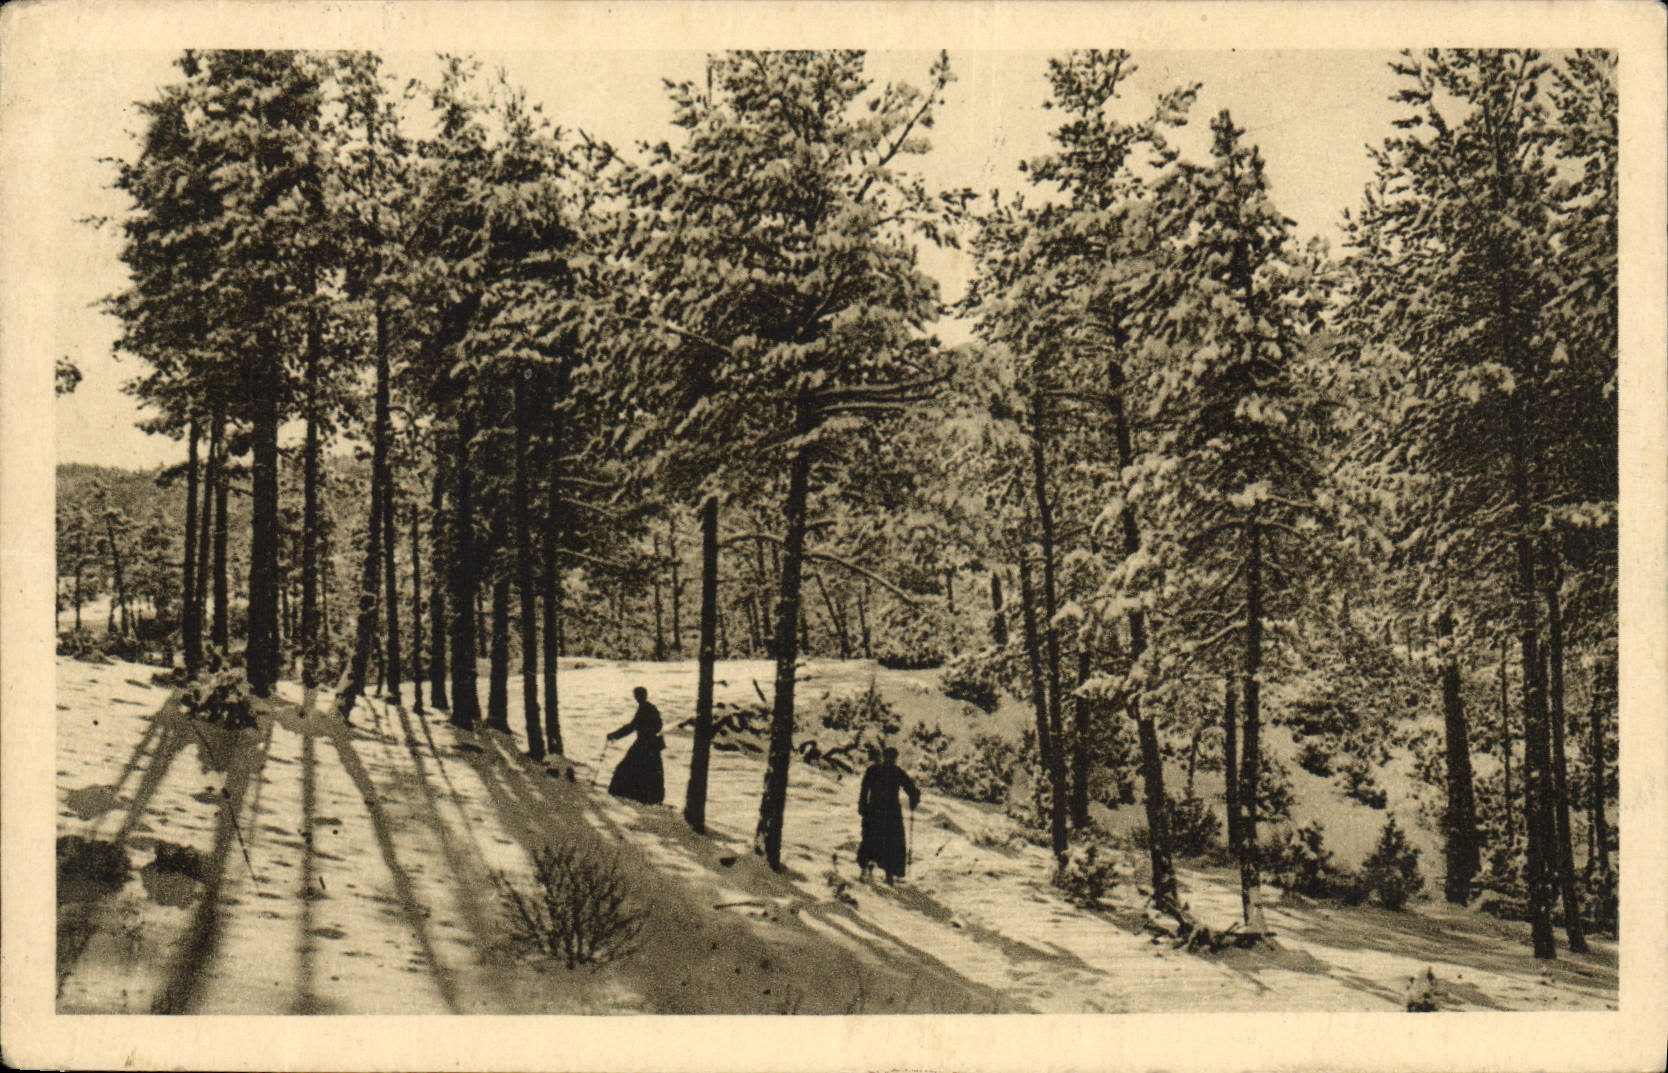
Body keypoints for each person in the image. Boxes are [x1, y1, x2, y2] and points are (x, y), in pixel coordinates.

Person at [857, 746, 920, 884]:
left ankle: (866, 871)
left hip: (874, 811)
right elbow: (912, 790)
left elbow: (864, 790)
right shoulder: (897, 772)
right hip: (891, 814)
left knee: (870, 840)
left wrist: (862, 807)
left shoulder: (873, 770)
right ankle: (888, 875)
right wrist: (914, 800)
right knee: (892, 843)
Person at [606, 686, 665, 805]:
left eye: (637, 696)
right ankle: (651, 797)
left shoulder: (643, 708)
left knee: (627, 767)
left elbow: (632, 727)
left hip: (643, 744)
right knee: (651, 771)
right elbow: (659, 725)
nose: (636, 698)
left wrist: (614, 735)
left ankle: (628, 794)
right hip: (652, 744)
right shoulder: (651, 708)